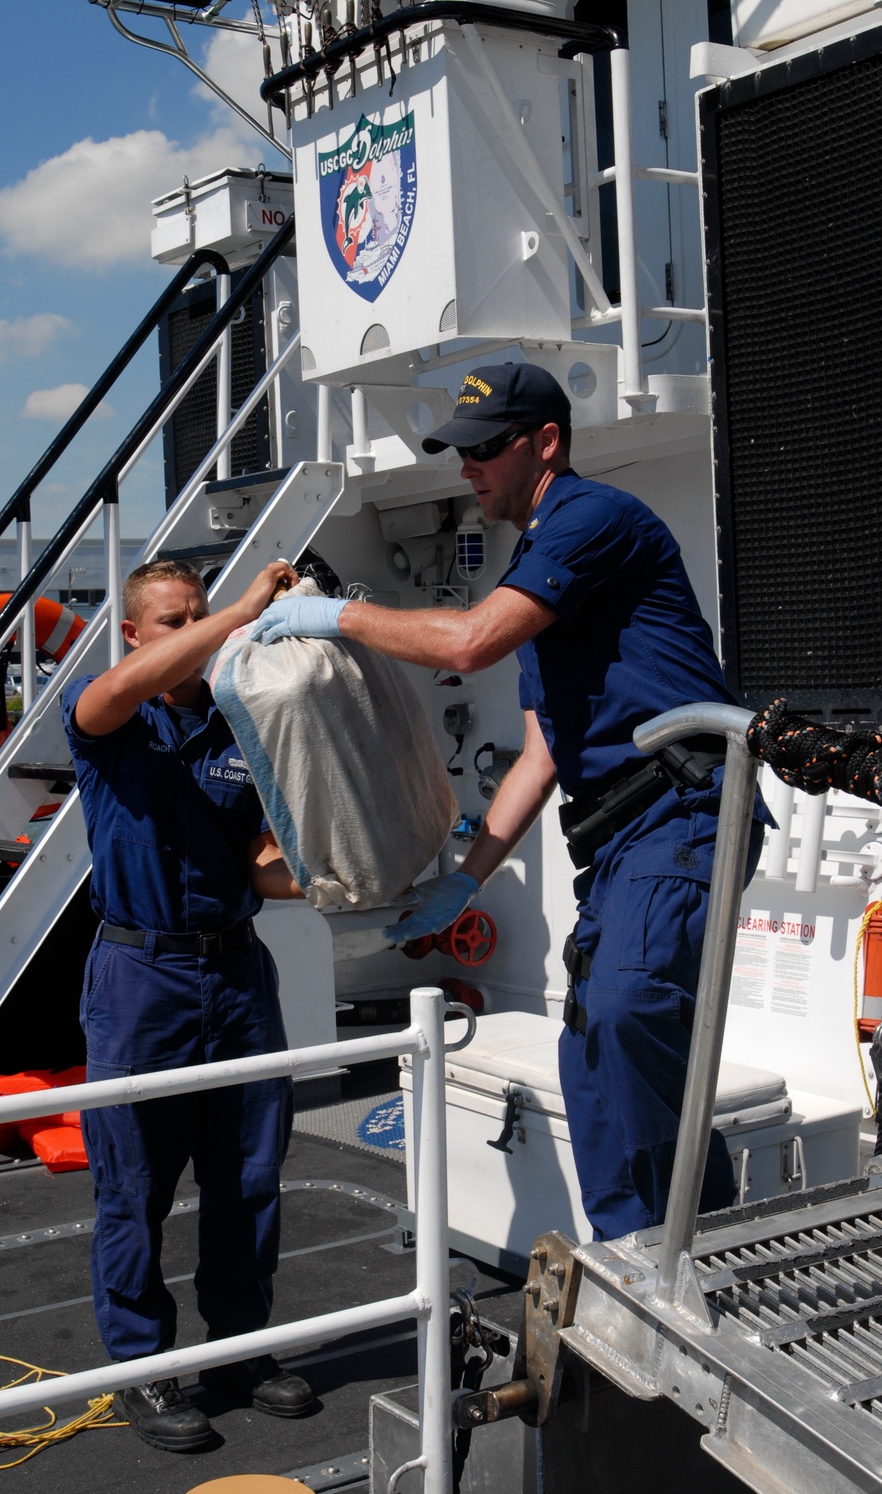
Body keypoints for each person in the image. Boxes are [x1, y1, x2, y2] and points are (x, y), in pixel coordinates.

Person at [252, 361, 769, 1242]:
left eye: (486, 449)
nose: (469, 468)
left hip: (684, 812)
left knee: (623, 1013)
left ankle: (648, 1262)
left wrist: (336, 618)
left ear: (546, 444)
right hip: (623, 835)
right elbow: (542, 751)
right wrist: (467, 876)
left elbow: (470, 640)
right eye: (461, 452)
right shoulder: (536, 554)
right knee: (600, 1040)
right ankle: (693, 1241)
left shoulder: (589, 518)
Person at [61, 557, 315, 1454]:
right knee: (135, 1187)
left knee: (247, 1177)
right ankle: (144, 1369)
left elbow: (259, 866)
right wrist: (243, 611)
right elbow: (115, 695)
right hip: (142, 982)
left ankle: (241, 1349)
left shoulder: (235, 725)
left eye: (200, 615)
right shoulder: (105, 717)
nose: (194, 630)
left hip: (236, 976)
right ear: (132, 635)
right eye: (175, 621)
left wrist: (348, 878)